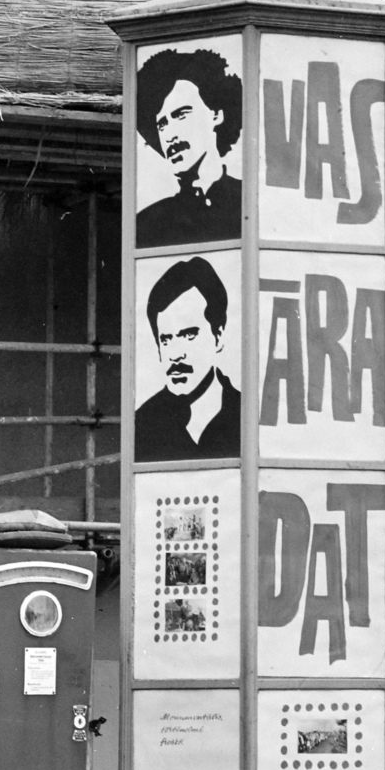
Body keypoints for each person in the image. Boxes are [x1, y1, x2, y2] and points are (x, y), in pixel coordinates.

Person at [134, 256, 241, 462]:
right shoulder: (143, 423)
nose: (175, 354)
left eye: (188, 335)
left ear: (218, 336)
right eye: (165, 340)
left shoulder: (248, 414)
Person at [135, 48, 242, 248]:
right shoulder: (148, 225)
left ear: (216, 114)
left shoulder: (252, 204)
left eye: (181, 115)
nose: (170, 135)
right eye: (162, 124)